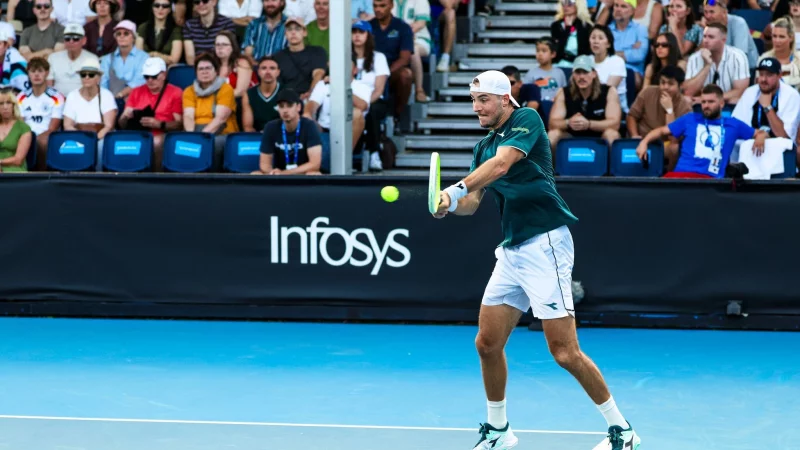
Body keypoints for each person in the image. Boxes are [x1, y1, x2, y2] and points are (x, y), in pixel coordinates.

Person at [432, 69, 641, 450]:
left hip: (545, 243)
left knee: (564, 352)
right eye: (473, 101)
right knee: (487, 343)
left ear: (503, 100)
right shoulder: (482, 147)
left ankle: (623, 431)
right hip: (511, 251)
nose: (477, 107)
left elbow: (501, 166)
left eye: (484, 100)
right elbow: (474, 202)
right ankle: (499, 430)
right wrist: (448, 207)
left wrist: (455, 190)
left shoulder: (526, 119)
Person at [636, 84, 768, 178]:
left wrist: (761, 137)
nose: (706, 105)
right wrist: (644, 142)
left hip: (709, 181)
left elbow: (761, 133)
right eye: (703, 102)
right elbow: (661, 131)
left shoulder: (733, 124)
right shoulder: (690, 119)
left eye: (711, 102)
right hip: (680, 176)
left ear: (721, 104)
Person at [254, 88, 322, 175]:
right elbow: (264, 164)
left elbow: (315, 164)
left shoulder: (309, 125)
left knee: (314, 174)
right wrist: (273, 173)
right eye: (281, 106)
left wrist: (286, 173)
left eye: (289, 105)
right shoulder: (270, 127)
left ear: (298, 107)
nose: (285, 110)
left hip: (302, 174)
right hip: (279, 175)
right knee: (255, 174)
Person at [17, 57, 65, 171]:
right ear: (28, 74)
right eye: (33, 71)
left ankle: (41, 176)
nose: (36, 75)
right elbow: (20, 125)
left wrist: (35, 139)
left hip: (46, 135)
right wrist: (28, 138)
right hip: (26, 134)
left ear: (47, 73)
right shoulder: (21, 97)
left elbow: (53, 128)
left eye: (40, 71)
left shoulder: (57, 97)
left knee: (42, 141)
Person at [0, 88, 33, 173]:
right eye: (1, 104)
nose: (5, 107)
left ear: (14, 106)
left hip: (14, 169)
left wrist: (0, 162)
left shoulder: (23, 128)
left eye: (8, 103)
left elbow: (18, 160)